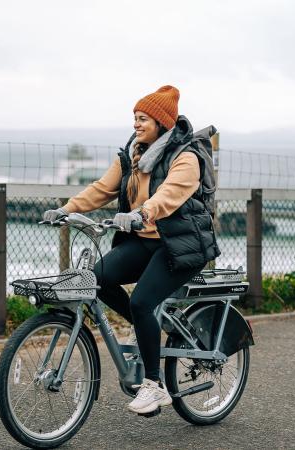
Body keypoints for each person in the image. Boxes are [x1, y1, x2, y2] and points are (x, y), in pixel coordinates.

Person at [43, 85, 219, 414]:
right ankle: (146, 325)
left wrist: (142, 213)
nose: (136, 124)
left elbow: (168, 196)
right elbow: (102, 189)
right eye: (135, 118)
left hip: (180, 246)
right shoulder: (133, 156)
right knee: (96, 279)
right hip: (145, 242)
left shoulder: (186, 157)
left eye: (143, 118)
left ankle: (154, 386)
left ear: (162, 123)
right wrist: (67, 210)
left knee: (141, 300)